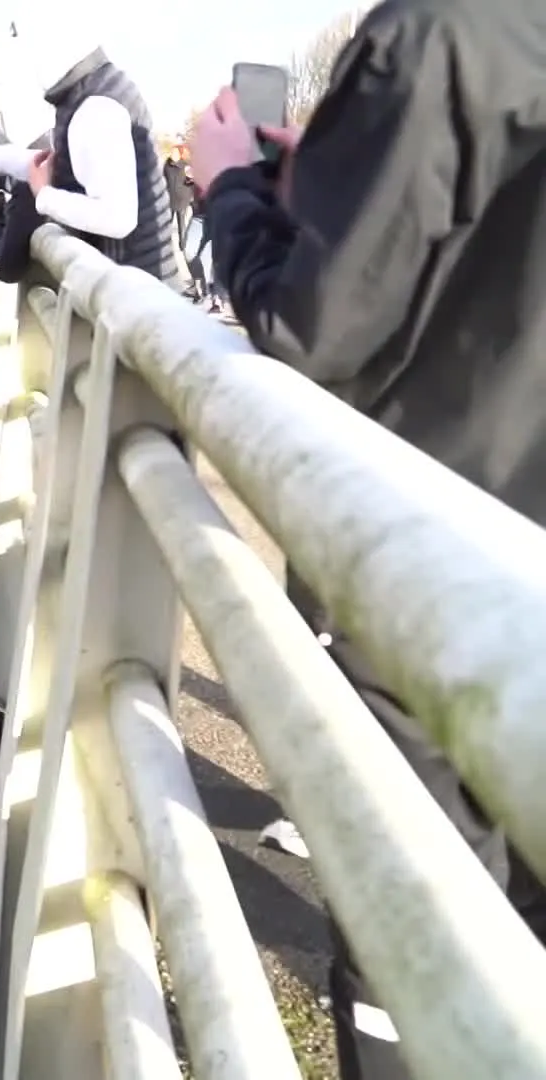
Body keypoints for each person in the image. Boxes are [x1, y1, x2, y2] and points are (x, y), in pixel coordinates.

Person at [186, 5, 546, 1072]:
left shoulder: (445, 28)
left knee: (419, 943)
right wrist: (357, 175)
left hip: (445, 579)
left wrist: (231, 187)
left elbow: (314, 328)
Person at [0, 14, 177, 282]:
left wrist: (45, 195)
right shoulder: (98, 89)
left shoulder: (95, 108)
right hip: (142, 290)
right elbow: (48, 162)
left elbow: (118, 217)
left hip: (139, 301)